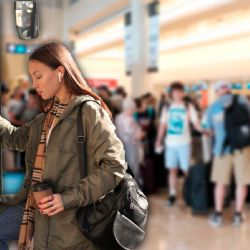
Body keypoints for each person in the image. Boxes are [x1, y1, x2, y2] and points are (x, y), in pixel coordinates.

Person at [0, 42, 127, 250]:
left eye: (38, 76)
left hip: (72, 226)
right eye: (32, 77)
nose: (35, 84)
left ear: (60, 72)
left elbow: (114, 167)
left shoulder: (89, 112)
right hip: (39, 215)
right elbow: (15, 137)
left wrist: (66, 199)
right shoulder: (46, 118)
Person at [204, 80, 250, 227]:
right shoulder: (242, 100)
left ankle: (218, 215)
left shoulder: (213, 107)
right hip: (243, 147)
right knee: (242, 182)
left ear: (217, 92)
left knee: (220, 182)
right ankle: (237, 215)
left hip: (222, 149)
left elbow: (208, 130)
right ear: (229, 89)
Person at [155, 82, 201, 206]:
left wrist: (204, 130)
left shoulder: (188, 106)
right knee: (172, 170)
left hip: (185, 143)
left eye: (179, 92)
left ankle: (188, 192)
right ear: (172, 93)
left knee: (186, 170)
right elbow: (163, 125)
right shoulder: (167, 107)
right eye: (175, 92)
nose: (177, 94)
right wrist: (158, 140)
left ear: (182, 93)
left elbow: (196, 123)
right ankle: (172, 194)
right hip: (170, 144)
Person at [115, 97, 145, 183]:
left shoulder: (121, 118)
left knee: (131, 168)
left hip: (127, 146)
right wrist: (138, 135)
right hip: (128, 146)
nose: (134, 110)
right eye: (132, 108)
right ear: (128, 108)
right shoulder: (125, 119)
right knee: (131, 168)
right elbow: (131, 135)